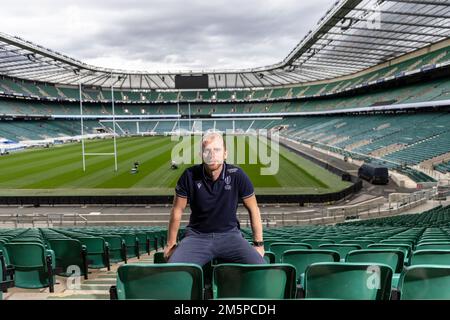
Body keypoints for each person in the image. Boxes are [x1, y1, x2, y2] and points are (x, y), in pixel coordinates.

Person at [164, 131, 265, 265]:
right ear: (201, 155)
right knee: (173, 268)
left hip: (230, 236)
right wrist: (171, 244)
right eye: (207, 151)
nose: (212, 155)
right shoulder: (189, 175)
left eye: (217, 150)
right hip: (196, 237)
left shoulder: (237, 175)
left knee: (260, 267)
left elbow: (253, 209)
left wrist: (258, 244)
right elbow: (177, 210)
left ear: (225, 154)